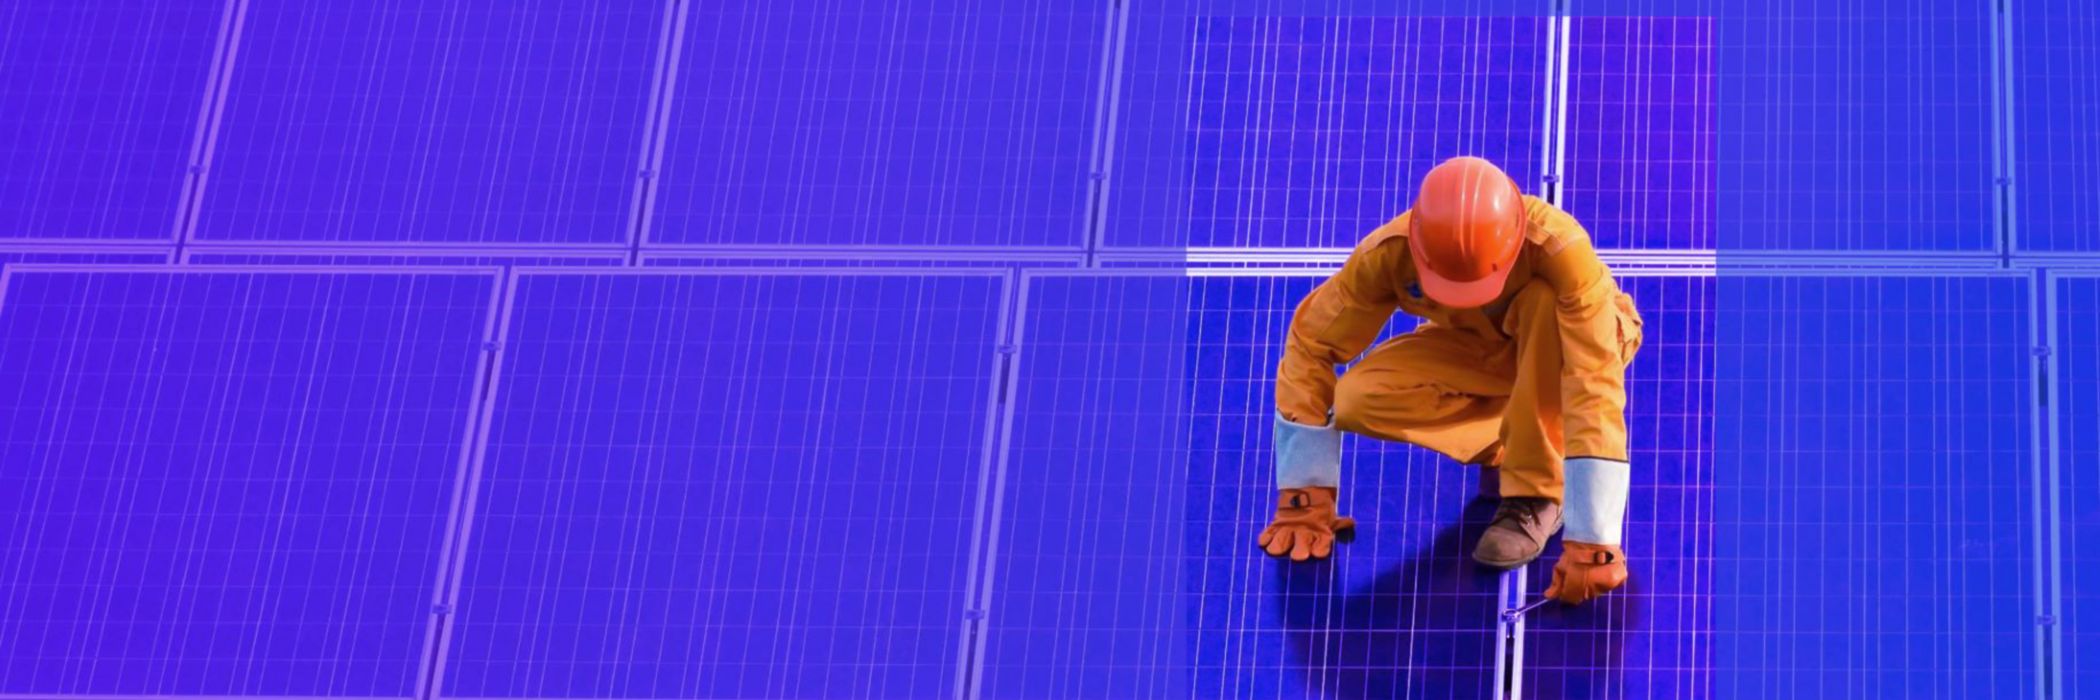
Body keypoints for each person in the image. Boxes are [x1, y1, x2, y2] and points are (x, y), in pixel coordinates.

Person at [1256, 156, 1643, 605]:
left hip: (1575, 342)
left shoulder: (1562, 253)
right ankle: (1515, 443)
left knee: (1542, 302)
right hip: (1482, 344)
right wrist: (1304, 491)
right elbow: (1311, 343)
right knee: (1358, 398)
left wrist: (1594, 534)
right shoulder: (1387, 253)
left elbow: (1591, 382)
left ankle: (1538, 493)